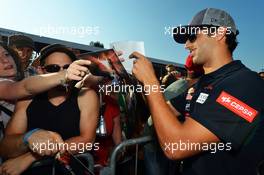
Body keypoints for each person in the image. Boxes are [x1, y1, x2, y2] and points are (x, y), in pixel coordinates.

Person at [130, 8, 264, 175]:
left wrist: (151, 81)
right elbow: (162, 111)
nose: (186, 45)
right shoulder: (201, 84)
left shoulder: (245, 84)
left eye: (192, 37)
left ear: (219, 33)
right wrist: (135, 80)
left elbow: (176, 147)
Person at [0, 44, 99, 175]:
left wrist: (31, 157)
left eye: (67, 68)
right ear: (41, 71)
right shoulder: (27, 99)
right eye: (53, 68)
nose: (62, 73)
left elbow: (87, 141)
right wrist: (27, 138)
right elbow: (6, 147)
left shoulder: (85, 95)